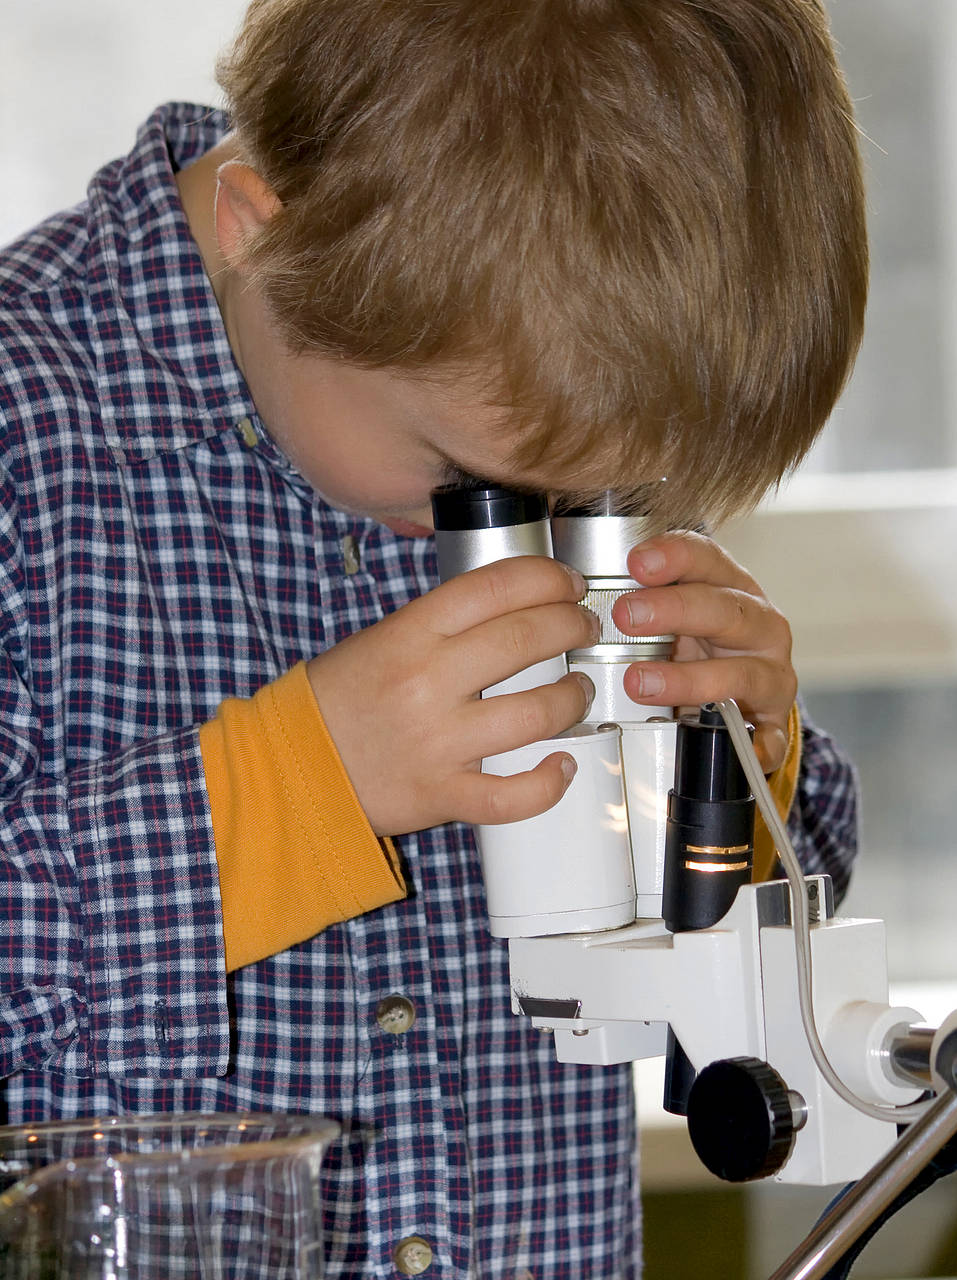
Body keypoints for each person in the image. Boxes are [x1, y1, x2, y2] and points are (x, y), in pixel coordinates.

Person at [0, 0, 864, 1274]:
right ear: (257, 232)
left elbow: (740, 1013)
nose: (553, 538)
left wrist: (740, 774)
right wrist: (296, 789)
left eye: (607, 500)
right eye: (477, 482)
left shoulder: (485, 369)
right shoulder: (30, 437)